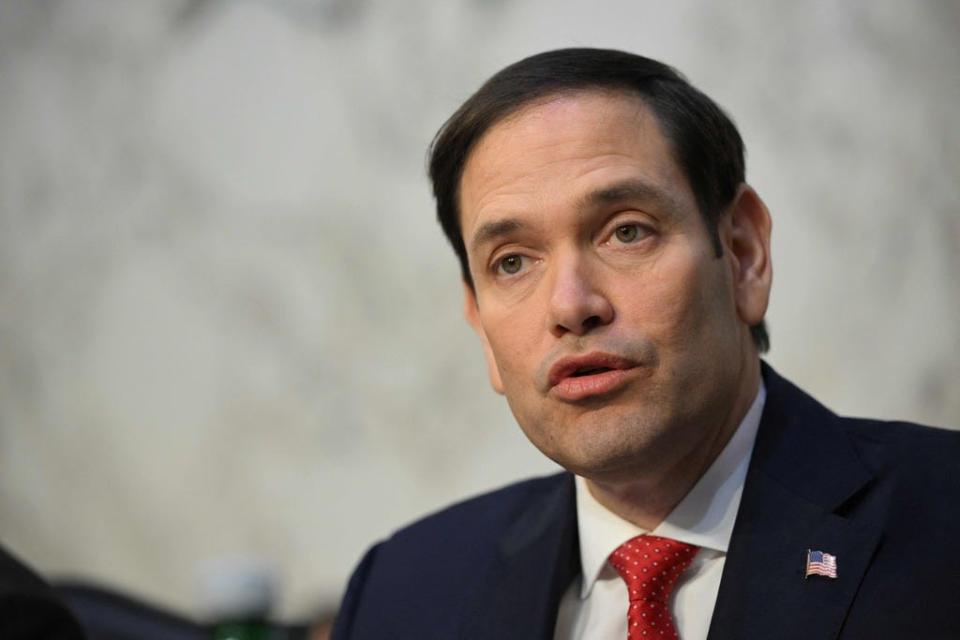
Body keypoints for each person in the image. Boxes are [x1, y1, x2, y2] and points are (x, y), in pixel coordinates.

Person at [330, 48, 960, 639]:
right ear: (481, 327)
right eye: (513, 262)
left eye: (626, 231)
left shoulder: (943, 524)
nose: (572, 306)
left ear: (742, 255)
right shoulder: (403, 595)